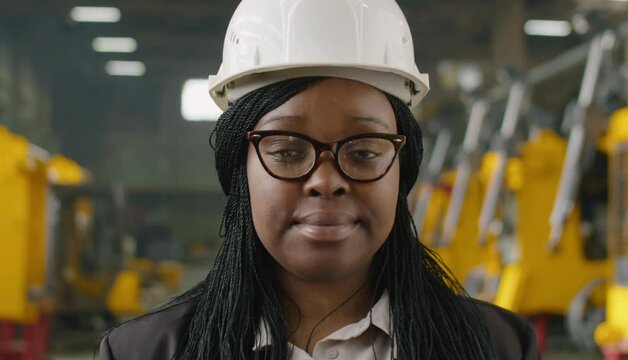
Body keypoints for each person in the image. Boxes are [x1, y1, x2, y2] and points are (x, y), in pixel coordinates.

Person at [99, 0, 540, 359]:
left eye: (365, 151)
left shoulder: (498, 347)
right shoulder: (145, 352)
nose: (326, 182)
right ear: (240, 170)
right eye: (288, 151)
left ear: (403, 168)